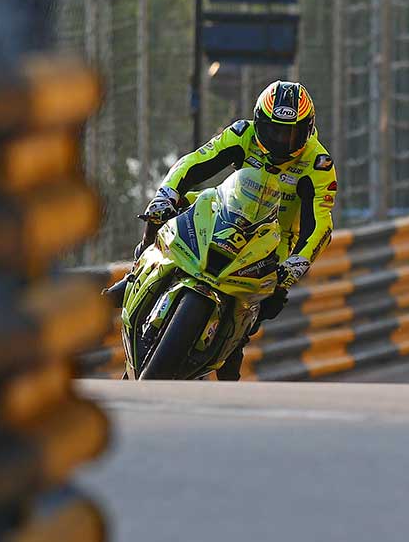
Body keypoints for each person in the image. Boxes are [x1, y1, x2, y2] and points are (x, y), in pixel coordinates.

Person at [141, 80, 338, 380]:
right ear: (259, 122)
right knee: (168, 214)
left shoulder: (318, 163)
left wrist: (297, 263)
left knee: (257, 312)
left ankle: (228, 370)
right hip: (224, 215)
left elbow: (320, 222)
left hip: (273, 244)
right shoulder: (242, 134)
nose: (282, 141)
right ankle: (139, 266)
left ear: (308, 130)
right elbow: (195, 162)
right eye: (274, 131)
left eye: (292, 133)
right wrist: (167, 193)